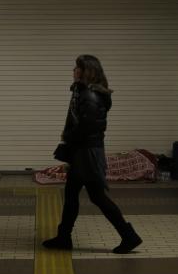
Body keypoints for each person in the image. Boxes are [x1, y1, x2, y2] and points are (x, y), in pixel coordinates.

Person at [42, 55, 143, 254]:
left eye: (76, 68)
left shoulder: (90, 95)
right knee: (71, 195)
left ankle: (129, 236)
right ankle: (64, 237)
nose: (73, 70)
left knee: (97, 197)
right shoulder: (83, 92)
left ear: (85, 71)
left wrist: (68, 136)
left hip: (86, 154)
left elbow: (89, 126)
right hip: (82, 151)